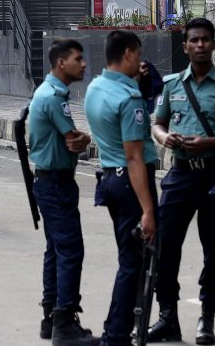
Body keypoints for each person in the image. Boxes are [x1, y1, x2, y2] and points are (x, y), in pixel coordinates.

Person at [147, 18, 215, 345]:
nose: (200, 45)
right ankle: (168, 318)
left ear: (213, 44)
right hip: (180, 175)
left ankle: (206, 318)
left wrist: (207, 143)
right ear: (185, 46)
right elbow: (158, 124)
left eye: (206, 40)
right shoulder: (173, 85)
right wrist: (166, 138)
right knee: (164, 247)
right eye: (194, 40)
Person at [85, 29, 160, 346]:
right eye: (139, 55)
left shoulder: (95, 88)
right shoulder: (129, 100)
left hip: (110, 179)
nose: (140, 61)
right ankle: (116, 335)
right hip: (130, 183)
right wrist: (147, 210)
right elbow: (134, 158)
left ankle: (116, 329)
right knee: (134, 265)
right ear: (129, 54)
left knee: (129, 260)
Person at [29, 39, 97, 345]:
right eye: (78, 59)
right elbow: (74, 140)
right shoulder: (54, 97)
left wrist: (80, 139)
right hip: (55, 183)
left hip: (51, 181)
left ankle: (51, 318)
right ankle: (65, 323)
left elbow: (74, 139)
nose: (83, 64)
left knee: (56, 250)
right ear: (61, 63)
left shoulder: (48, 93)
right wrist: (83, 140)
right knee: (70, 251)